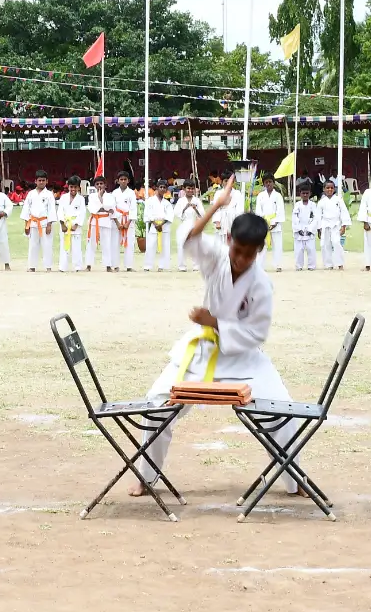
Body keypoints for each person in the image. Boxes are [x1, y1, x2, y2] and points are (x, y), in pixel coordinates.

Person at [130, 176, 305, 498]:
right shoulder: (217, 257)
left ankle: (295, 479)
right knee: (155, 406)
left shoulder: (262, 285)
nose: (240, 259)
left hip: (243, 359)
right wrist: (217, 205)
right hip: (201, 352)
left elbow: (256, 333)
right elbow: (190, 238)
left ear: (259, 251)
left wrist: (214, 320)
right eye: (237, 250)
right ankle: (146, 477)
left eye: (249, 254)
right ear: (229, 241)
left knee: (283, 411)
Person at [21, 170, 57, 272]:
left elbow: (51, 210)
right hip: (33, 223)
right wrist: (26, 225)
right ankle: (32, 266)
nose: (41, 182)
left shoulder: (49, 194)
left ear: (47, 181)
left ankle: (48, 266)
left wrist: (49, 224)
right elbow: (26, 209)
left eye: (43, 180)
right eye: (39, 180)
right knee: (33, 245)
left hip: (45, 223)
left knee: (47, 245)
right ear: (35, 181)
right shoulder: (31, 194)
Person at [253, 173, 286, 271]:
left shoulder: (278, 196)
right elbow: (258, 211)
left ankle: (278, 265)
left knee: (277, 245)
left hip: (275, 224)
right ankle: (260, 266)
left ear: (273, 183)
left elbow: (280, 211)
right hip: (263, 224)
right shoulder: (260, 196)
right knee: (262, 245)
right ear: (263, 184)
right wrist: (263, 222)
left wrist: (274, 223)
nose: (268, 184)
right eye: (266, 182)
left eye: (270, 182)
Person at [316, 179, 351, 270]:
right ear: (324, 189)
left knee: (336, 243)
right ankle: (328, 264)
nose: (330, 190)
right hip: (325, 225)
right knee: (325, 244)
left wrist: (343, 226)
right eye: (327, 188)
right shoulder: (321, 202)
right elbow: (318, 216)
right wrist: (319, 229)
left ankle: (340, 263)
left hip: (336, 225)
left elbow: (344, 212)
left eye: (331, 188)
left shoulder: (338, 200)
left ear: (334, 189)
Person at [56, 175, 86, 273]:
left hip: (75, 226)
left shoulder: (81, 199)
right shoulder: (63, 197)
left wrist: (76, 224)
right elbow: (60, 211)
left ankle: (77, 266)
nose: (73, 189)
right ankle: (62, 267)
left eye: (75, 187)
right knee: (64, 246)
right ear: (68, 187)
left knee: (76, 247)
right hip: (65, 224)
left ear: (79, 187)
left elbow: (82, 213)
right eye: (71, 187)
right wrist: (62, 224)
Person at [110, 171, 139, 271]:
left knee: (130, 243)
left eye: (125, 179)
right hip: (117, 219)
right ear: (117, 181)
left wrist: (128, 222)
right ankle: (115, 265)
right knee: (115, 243)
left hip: (128, 219)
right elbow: (112, 208)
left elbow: (133, 208)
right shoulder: (114, 193)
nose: (123, 181)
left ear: (128, 181)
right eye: (121, 179)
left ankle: (129, 266)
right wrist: (117, 223)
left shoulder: (131, 193)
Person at [142, 180, 173, 272]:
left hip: (164, 226)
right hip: (154, 225)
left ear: (166, 189)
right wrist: (155, 224)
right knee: (150, 245)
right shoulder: (150, 201)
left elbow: (169, 215)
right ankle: (147, 265)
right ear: (156, 188)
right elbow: (148, 213)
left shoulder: (167, 203)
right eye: (161, 187)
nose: (162, 189)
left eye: (164, 187)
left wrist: (162, 224)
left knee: (165, 246)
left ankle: (162, 266)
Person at [174, 182, 205, 271]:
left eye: (192, 189)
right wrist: (185, 208)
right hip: (184, 224)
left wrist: (195, 208)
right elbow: (176, 213)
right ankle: (182, 266)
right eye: (188, 188)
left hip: (194, 224)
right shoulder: (181, 201)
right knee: (181, 244)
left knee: (195, 245)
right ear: (184, 189)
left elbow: (202, 214)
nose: (190, 190)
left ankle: (196, 265)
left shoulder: (197, 200)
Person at [85, 174, 113, 271]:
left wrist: (101, 199)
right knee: (91, 244)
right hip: (94, 221)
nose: (99, 185)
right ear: (95, 186)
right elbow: (92, 209)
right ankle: (88, 265)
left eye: (101, 183)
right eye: (97, 184)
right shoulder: (92, 196)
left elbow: (110, 207)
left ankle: (108, 265)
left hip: (105, 221)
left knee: (107, 244)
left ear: (105, 185)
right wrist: (104, 208)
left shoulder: (110, 196)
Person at [291, 181, 317, 270]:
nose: (305, 195)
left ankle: (311, 266)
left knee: (311, 249)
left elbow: (315, 218)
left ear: (310, 193)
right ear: (300, 194)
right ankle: (299, 266)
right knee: (299, 250)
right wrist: (298, 229)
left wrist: (310, 229)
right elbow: (294, 218)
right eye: (303, 193)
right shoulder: (297, 205)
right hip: (300, 229)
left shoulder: (313, 205)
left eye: (307, 193)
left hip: (310, 229)